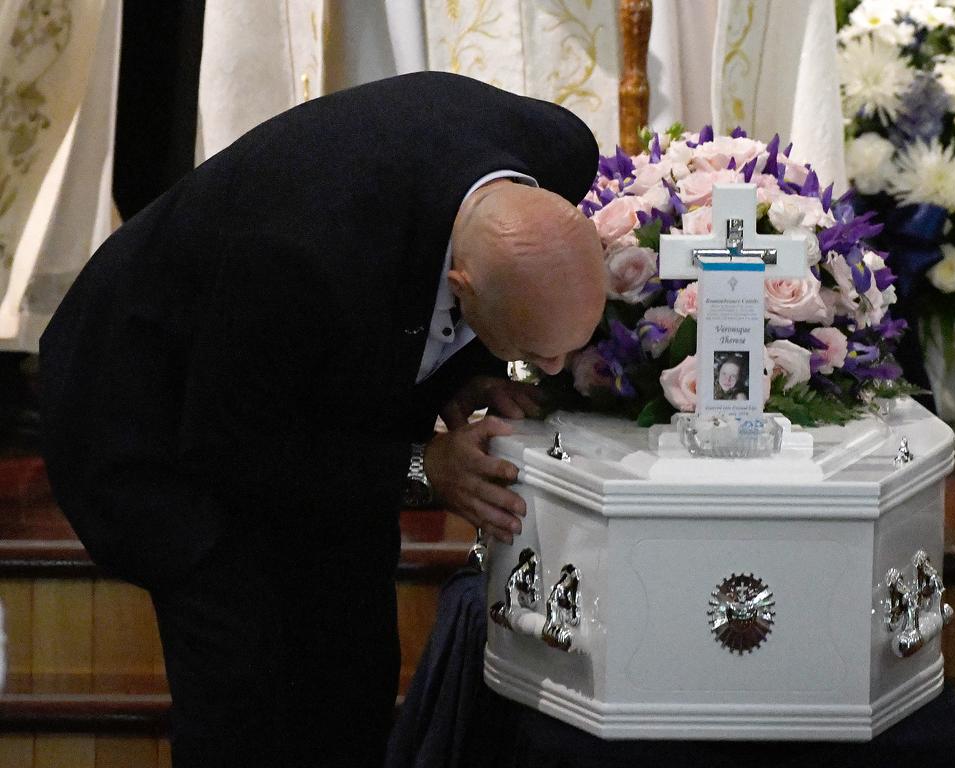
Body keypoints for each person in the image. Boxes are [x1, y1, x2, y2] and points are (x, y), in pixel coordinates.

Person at [37, 72, 606, 767]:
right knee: (244, 675)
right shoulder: (302, 254)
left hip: (302, 377)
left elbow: (430, 297)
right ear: (463, 287)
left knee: (353, 664)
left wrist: (461, 369)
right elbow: (232, 446)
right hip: (156, 413)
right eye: (534, 352)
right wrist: (426, 465)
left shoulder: (561, 153)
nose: (551, 367)